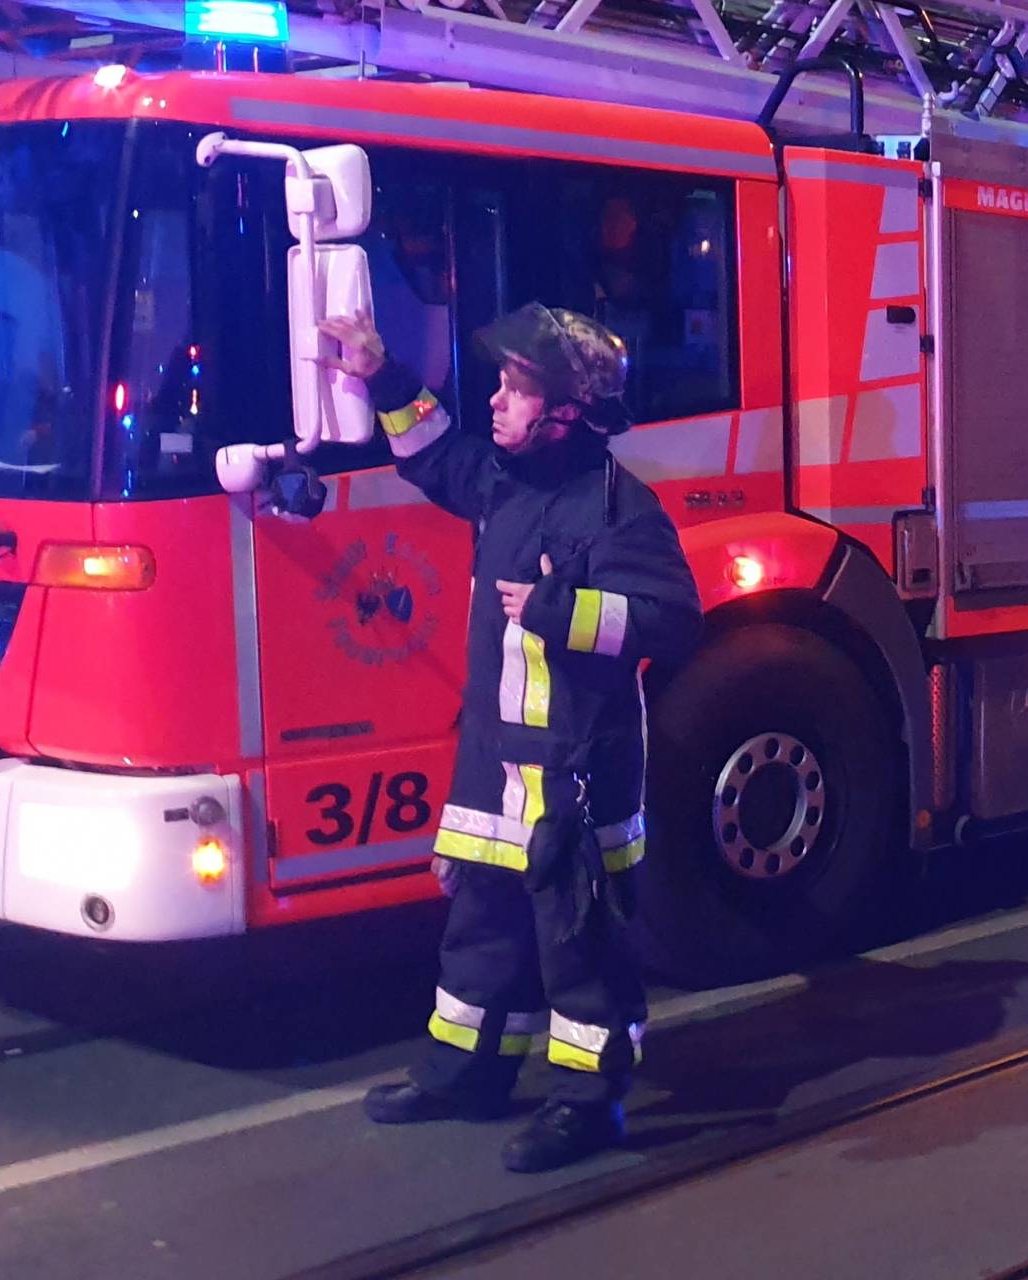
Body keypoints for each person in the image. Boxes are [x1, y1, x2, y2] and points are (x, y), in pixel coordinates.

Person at [325, 302, 702, 1173]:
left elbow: (672, 623)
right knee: (483, 935)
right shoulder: (505, 480)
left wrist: (558, 610)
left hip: (574, 780)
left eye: (516, 388)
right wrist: (379, 370)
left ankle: (587, 1104)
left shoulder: (620, 510)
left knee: (581, 953)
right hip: (497, 772)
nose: (496, 400)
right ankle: (467, 1074)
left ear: (567, 410)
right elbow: (434, 454)